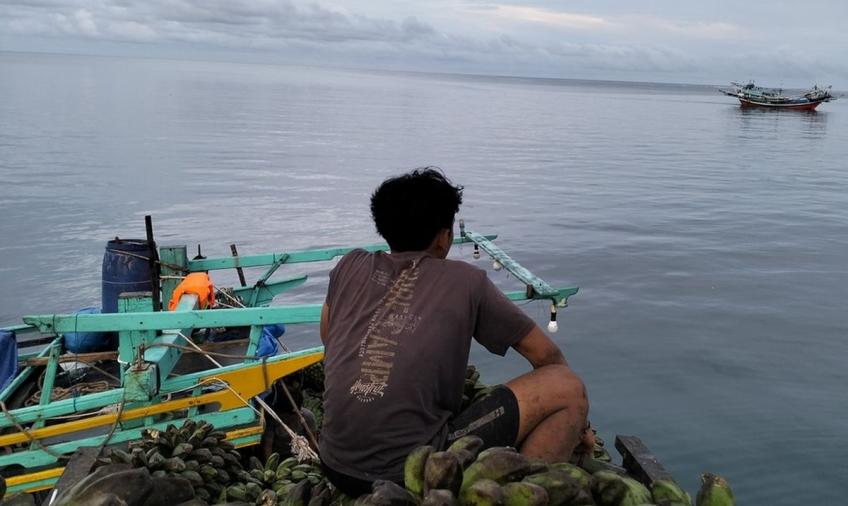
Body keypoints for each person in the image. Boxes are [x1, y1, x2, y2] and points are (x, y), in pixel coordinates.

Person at [319, 168, 591, 496]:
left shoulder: (350, 265)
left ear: (384, 228)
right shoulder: (466, 281)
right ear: (444, 236)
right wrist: (582, 428)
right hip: (411, 472)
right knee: (567, 387)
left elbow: (328, 336)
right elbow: (547, 356)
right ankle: (524, 495)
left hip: (334, 462)